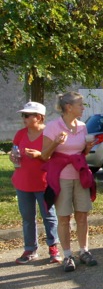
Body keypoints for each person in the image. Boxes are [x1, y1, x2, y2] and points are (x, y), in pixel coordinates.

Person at [41, 92, 97, 273]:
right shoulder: (52, 127)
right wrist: (55, 143)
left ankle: (84, 251)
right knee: (64, 217)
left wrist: (87, 148)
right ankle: (67, 255)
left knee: (83, 215)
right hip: (61, 178)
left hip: (80, 176)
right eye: (80, 104)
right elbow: (44, 155)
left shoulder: (82, 126)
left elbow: (81, 155)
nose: (83, 107)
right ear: (68, 107)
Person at [11, 102, 60, 265]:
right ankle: (30, 249)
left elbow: (56, 158)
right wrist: (13, 157)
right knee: (27, 217)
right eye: (23, 115)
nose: (23, 118)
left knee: (49, 216)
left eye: (27, 115)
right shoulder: (20, 134)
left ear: (38, 117)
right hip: (23, 182)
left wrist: (40, 154)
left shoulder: (49, 133)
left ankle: (53, 247)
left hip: (44, 182)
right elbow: (15, 152)